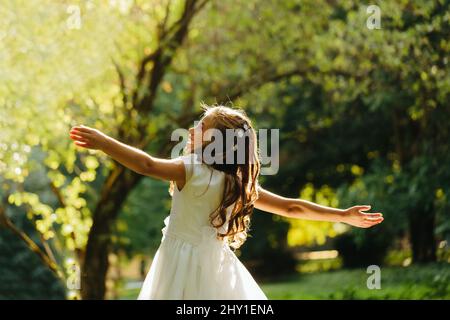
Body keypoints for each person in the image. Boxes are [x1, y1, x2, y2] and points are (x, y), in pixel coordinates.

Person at [69, 104, 383, 299]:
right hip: (216, 268)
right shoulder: (237, 184)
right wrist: (340, 215)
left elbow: (148, 165)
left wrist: (103, 142)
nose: (193, 130)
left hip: (178, 265)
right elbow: (291, 207)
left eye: (202, 127)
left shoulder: (191, 169)